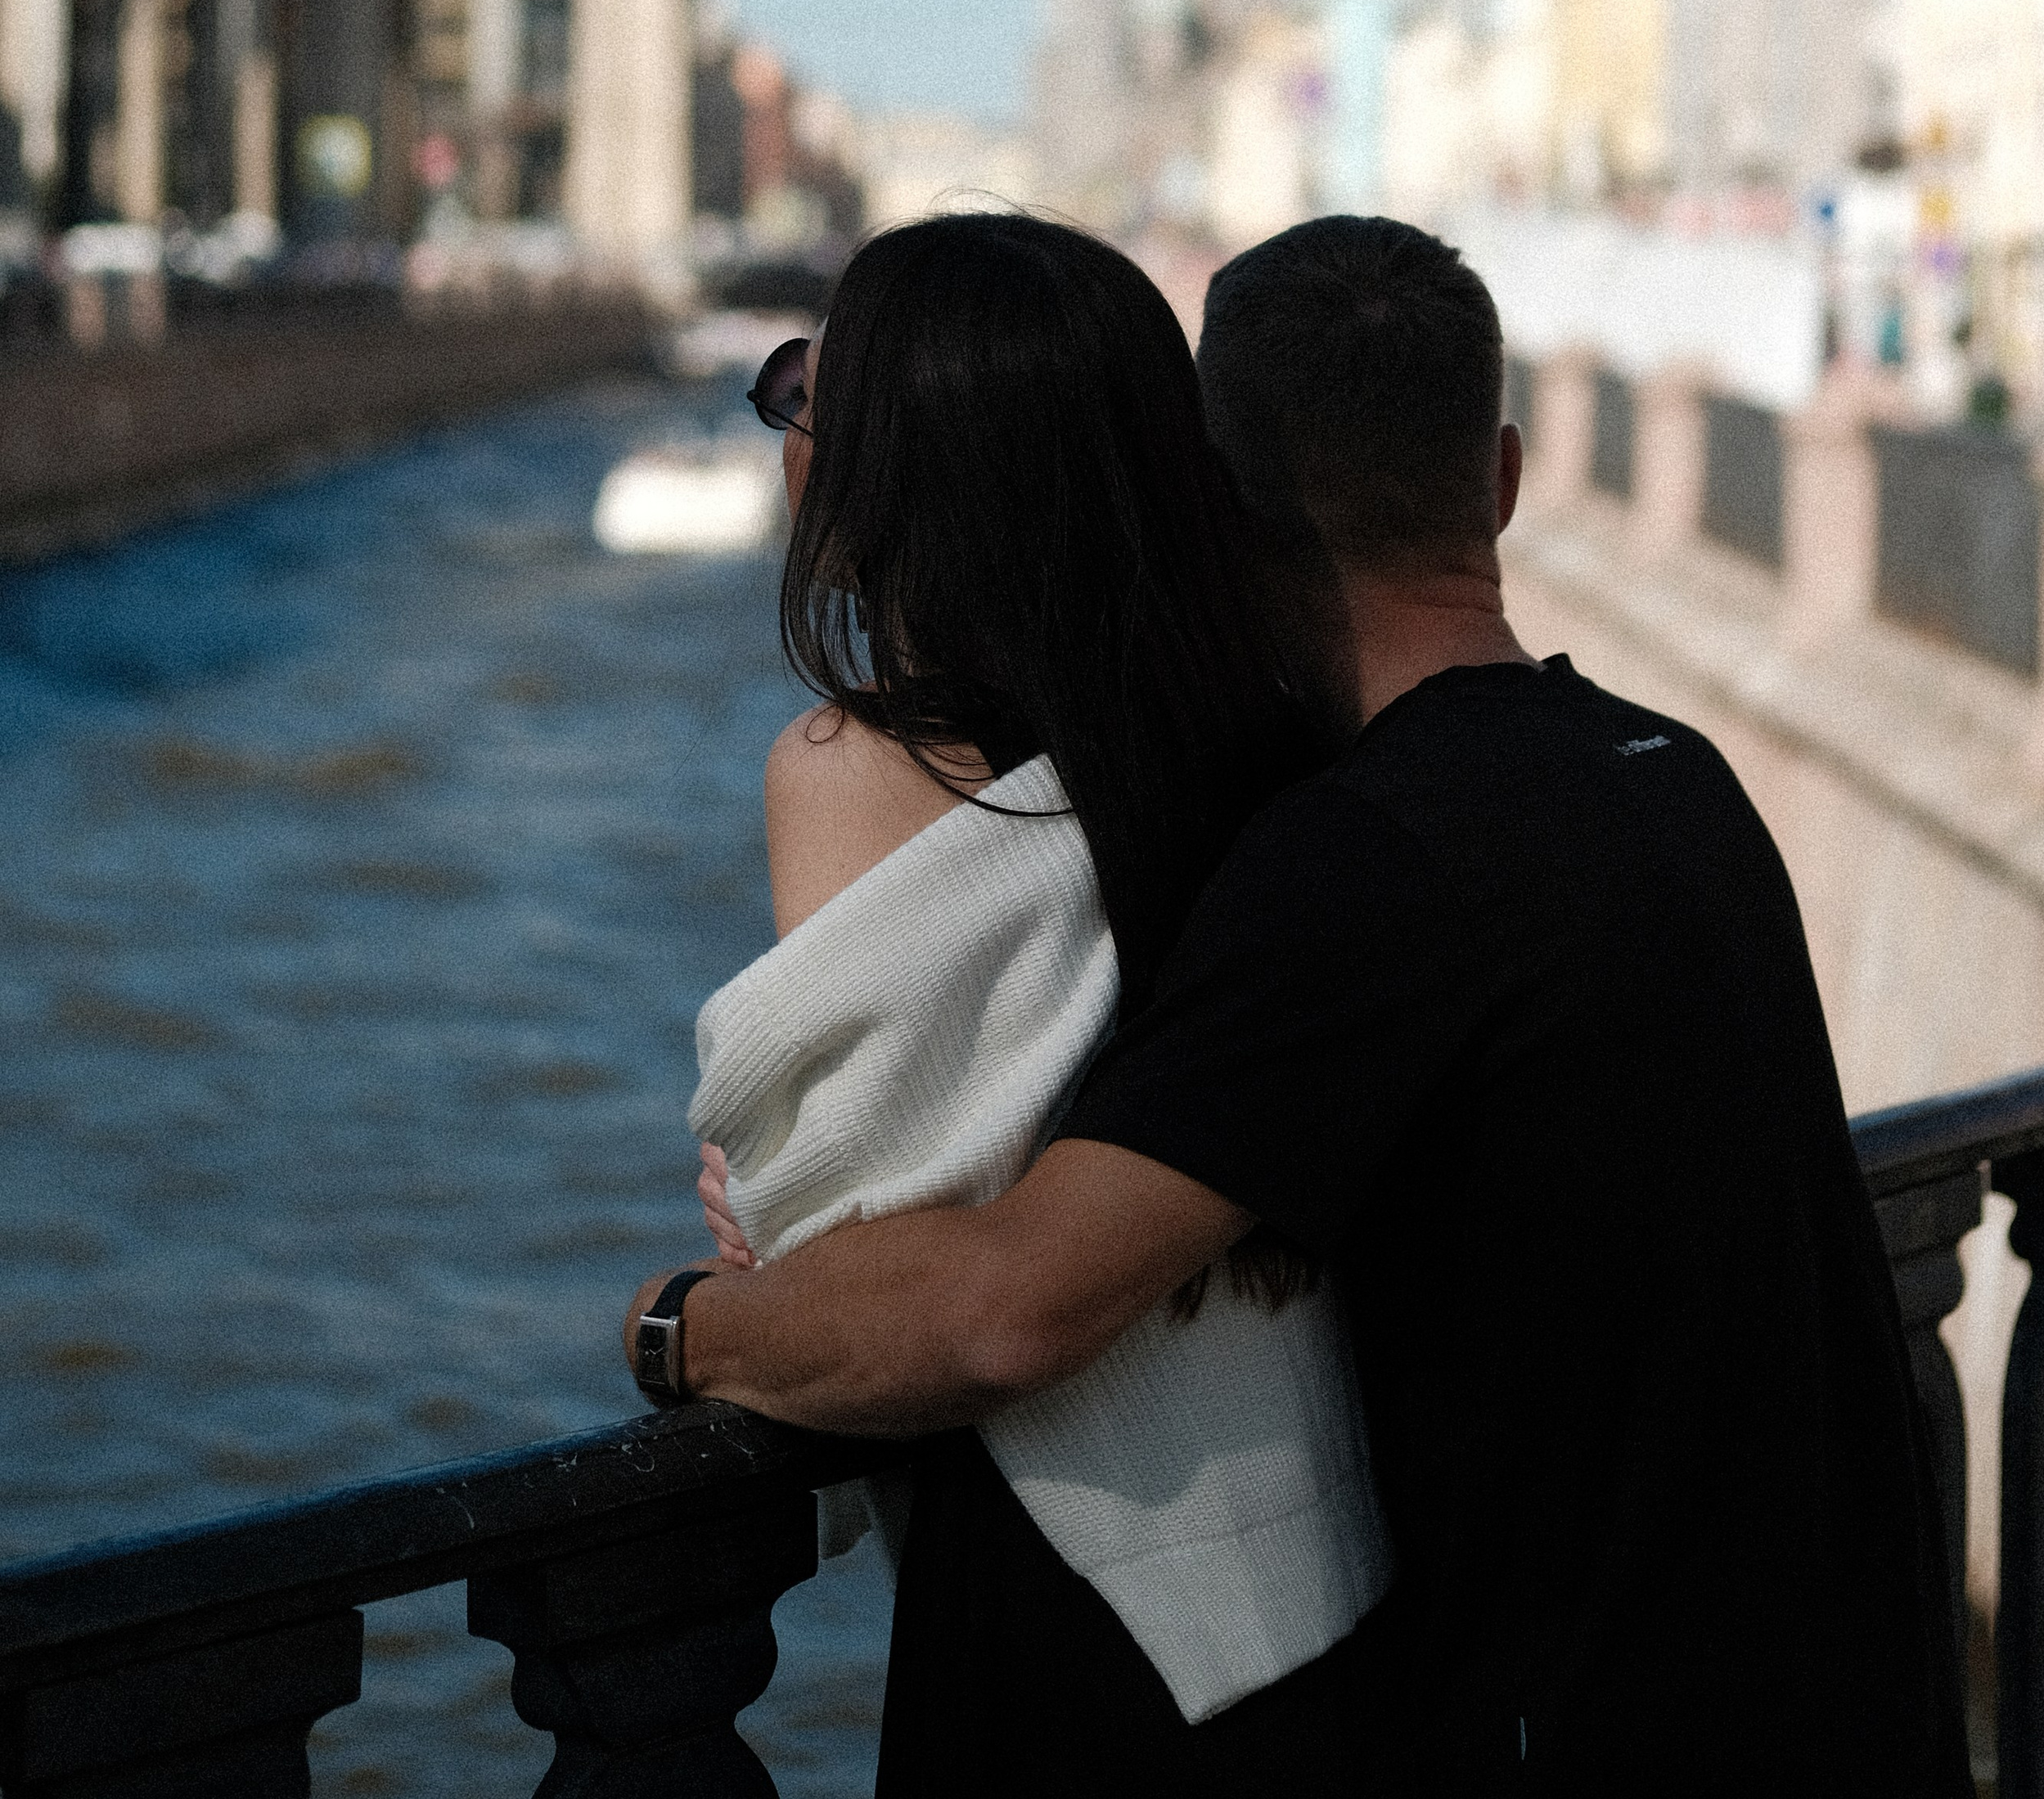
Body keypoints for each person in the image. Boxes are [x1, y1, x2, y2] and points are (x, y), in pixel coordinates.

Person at [628, 215, 1973, 1799]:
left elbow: (1003, 1302)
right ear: (1505, 479)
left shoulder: (1373, 860)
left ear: (1219, 507)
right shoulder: (1672, 777)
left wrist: (681, 1326)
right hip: (1844, 1706)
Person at [631, 213, 1393, 1794]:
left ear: (902, 471)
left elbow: (861, 1253)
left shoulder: (853, 769)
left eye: (804, 397)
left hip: (1059, 1605)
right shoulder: (1282, 754)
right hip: (1332, 1577)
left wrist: (680, 1319)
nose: (786, 439)